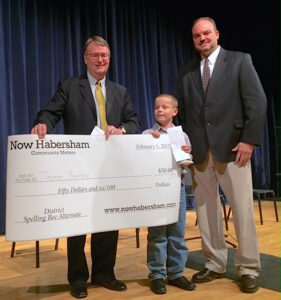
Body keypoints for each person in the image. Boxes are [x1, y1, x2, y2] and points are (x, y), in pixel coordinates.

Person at [31, 36, 141, 298]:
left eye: (105, 55)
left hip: (110, 166)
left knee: (108, 221)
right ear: (85, 58)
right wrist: (43, 123)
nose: (101, 59)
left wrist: (122, 129)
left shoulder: (120, 91)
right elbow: (50, 112)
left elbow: (134, 120)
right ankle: (78, 278)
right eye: (95, 55)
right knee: (77, 225)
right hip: (78, 167)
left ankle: (104, 273)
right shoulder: (69, 86)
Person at [177, 17, 267, 293]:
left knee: (241, 211)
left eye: (206, 33)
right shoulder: (187, 71)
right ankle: (215, 263)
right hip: (201, 154)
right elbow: (189, 114)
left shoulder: (240, 61)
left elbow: (257, 101)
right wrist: (184, 143)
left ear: (217, 34)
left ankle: (248, 268)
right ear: (193, 40)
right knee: (206, 212)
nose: (202, 38)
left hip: (233, 150)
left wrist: (248, 141)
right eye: (196, 36)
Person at [142, 94, 196, 294]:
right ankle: (156, 274)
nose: (160, 110)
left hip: (177, 186)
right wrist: (149, 143)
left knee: (177, 232)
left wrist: (187, 152)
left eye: (165, 107)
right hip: (156, 189)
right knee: (157, 234)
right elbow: (141, 157)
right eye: (157, 107)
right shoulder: (148, 133)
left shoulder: (181, 135)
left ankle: (176, 273)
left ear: (174, 111)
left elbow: (188, 159)